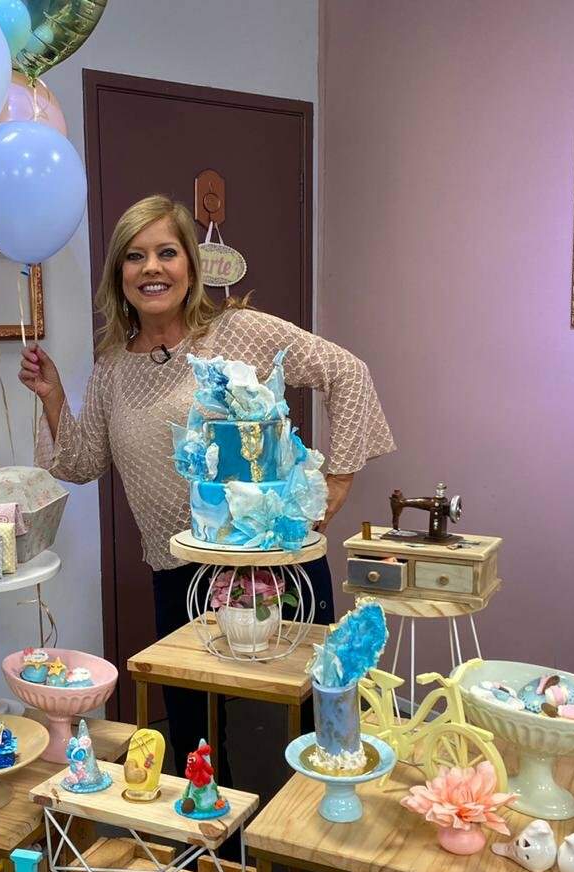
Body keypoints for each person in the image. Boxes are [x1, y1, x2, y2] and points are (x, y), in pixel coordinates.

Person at [20, 195, 395, 782]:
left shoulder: (238, 332)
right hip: (178, 575)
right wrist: (53, 396)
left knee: (307, 724)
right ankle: (214, 834)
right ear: (119, 276)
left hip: (273, 567)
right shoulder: (113, 366)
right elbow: (82, 461)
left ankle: (315, 829)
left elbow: (346, 372)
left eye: (166, 252)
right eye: (135, 256)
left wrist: (337, 480)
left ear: (191, 267)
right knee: (195, 735)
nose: (151, 268)